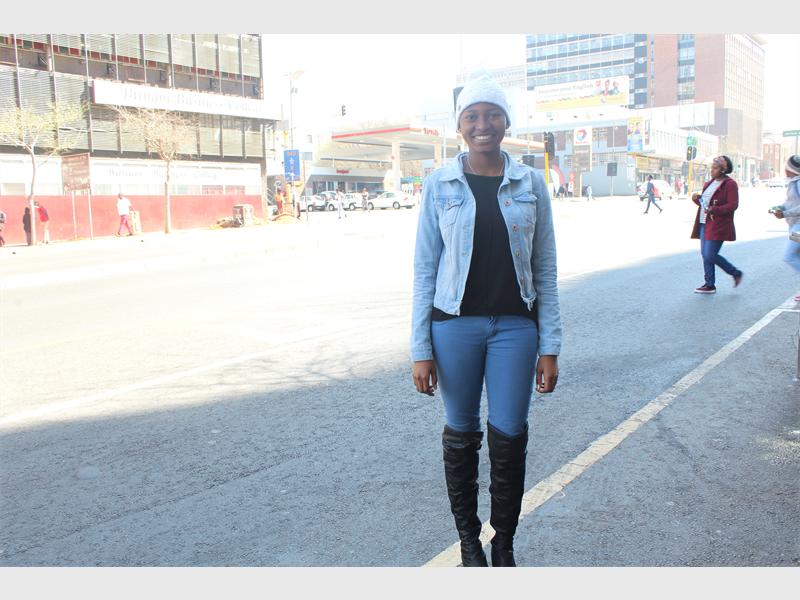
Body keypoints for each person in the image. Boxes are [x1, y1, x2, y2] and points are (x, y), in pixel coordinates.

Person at [411, 75, 561, 567]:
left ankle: (505, 541)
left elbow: (544, 268)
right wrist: (420, 349)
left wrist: (550, 345)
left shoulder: (530, 183)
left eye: (492, 115)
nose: (483, 124)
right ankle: (469, 541)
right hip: (454, 327)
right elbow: (425, 269)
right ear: (459, 126)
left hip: (516, 328)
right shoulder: (439, 184)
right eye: (472, 116)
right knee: (461, 433)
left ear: (506, 122)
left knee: (510, 435)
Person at [690, 155, 743, 294]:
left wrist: (715, 209)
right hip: (704, 222)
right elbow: (705, 204)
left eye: (715, 168)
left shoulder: (730, 184)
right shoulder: (709, 183)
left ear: (723, 170)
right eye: (711, 167)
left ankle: (735, 273)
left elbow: (733, 205)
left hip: (718, 224)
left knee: (710, 254)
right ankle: (709, 285)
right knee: (705, 254)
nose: (712, 170)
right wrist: (696, 199)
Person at [770, 155, 800, 302]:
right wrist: (780, 208)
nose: (784, 170)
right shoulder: (793, 183)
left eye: (786, 168)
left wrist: (784, 213)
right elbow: (790, 203)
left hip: (798, 228)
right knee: (797, 256)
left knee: (789, 256)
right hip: (793, 225)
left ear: (791, 169)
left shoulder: (799, 183)